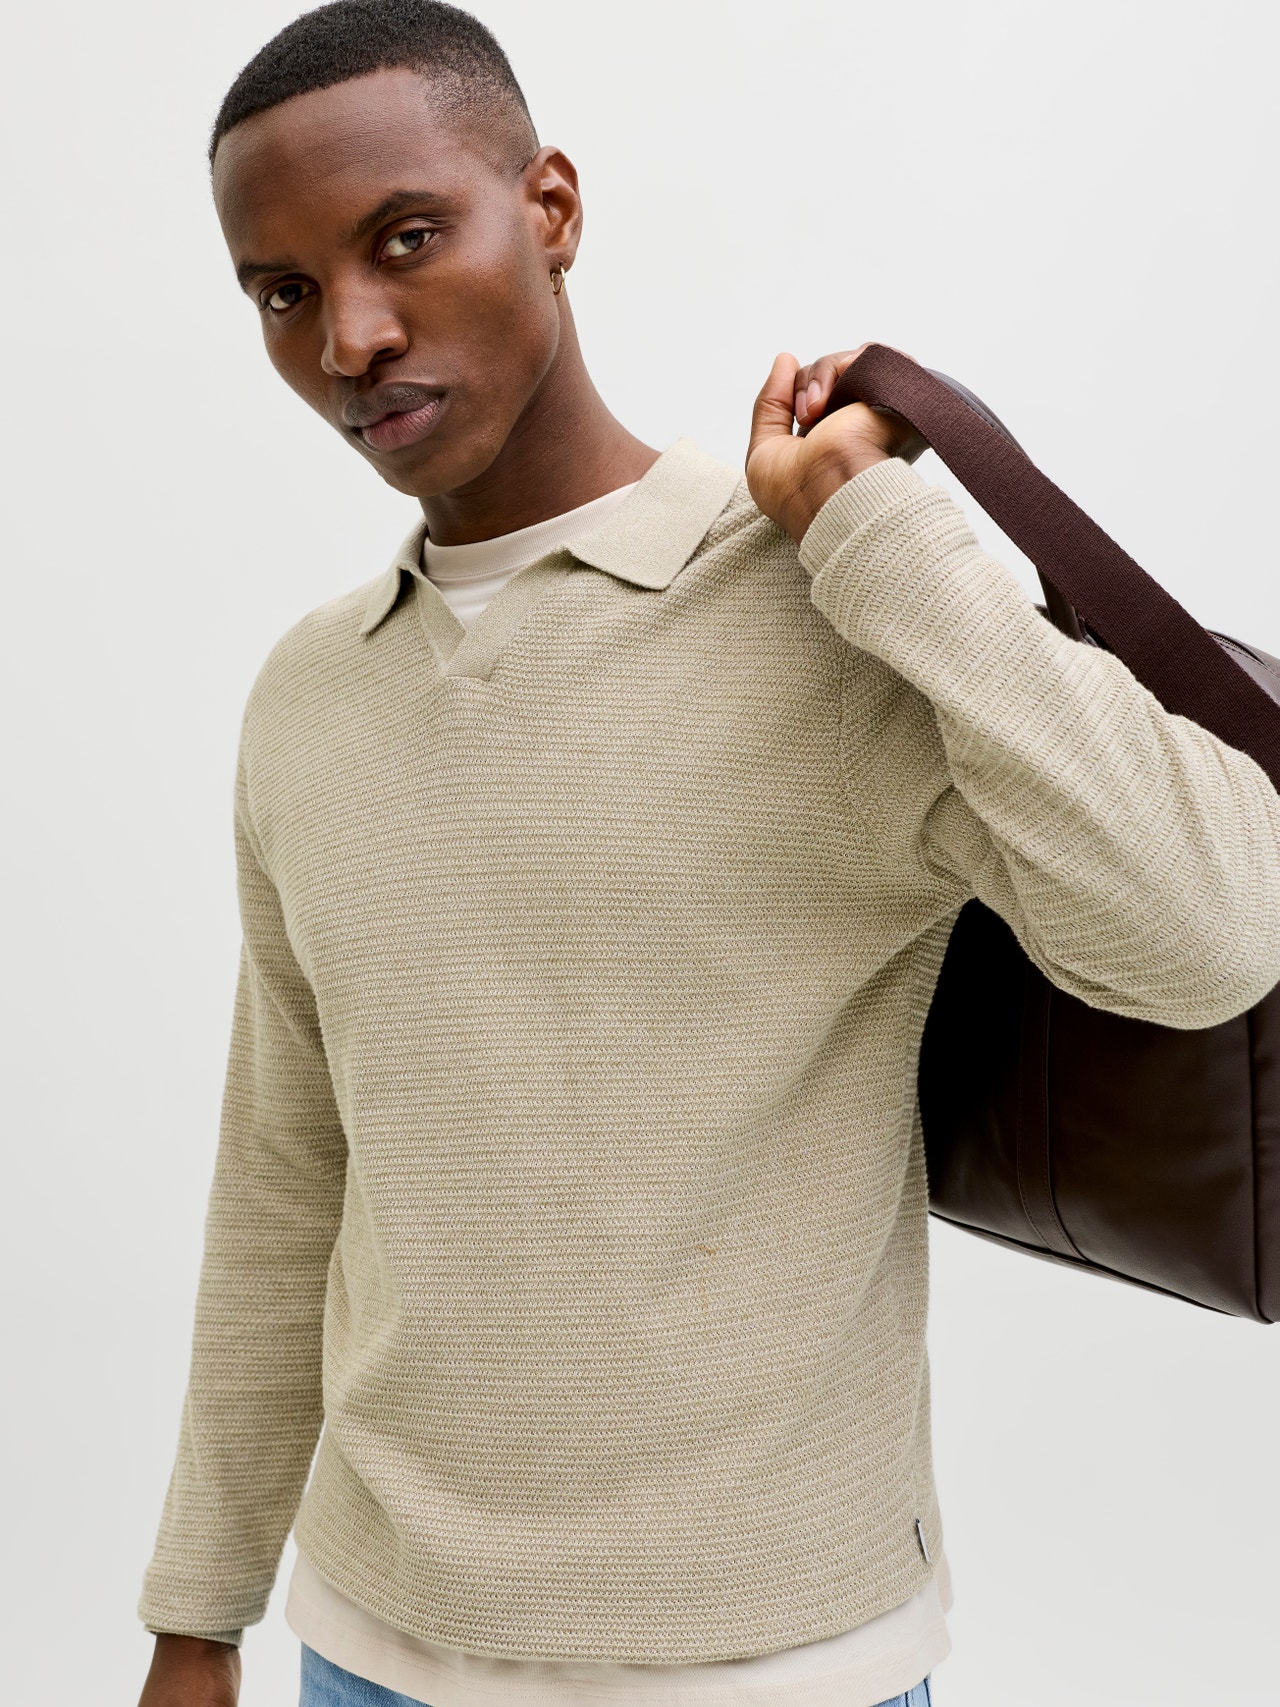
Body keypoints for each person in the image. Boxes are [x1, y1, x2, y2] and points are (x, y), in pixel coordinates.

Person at [134, 3, 1280, 1704]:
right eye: (283, 292)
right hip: (365, 1650)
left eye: (406, 239)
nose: (351, 337)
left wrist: (882, 539)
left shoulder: (829, 604)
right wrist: (198, 1612)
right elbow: (287, 1175)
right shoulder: (311, 696)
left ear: (552, 207)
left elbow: (1214, 934)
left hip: (778, 1661)